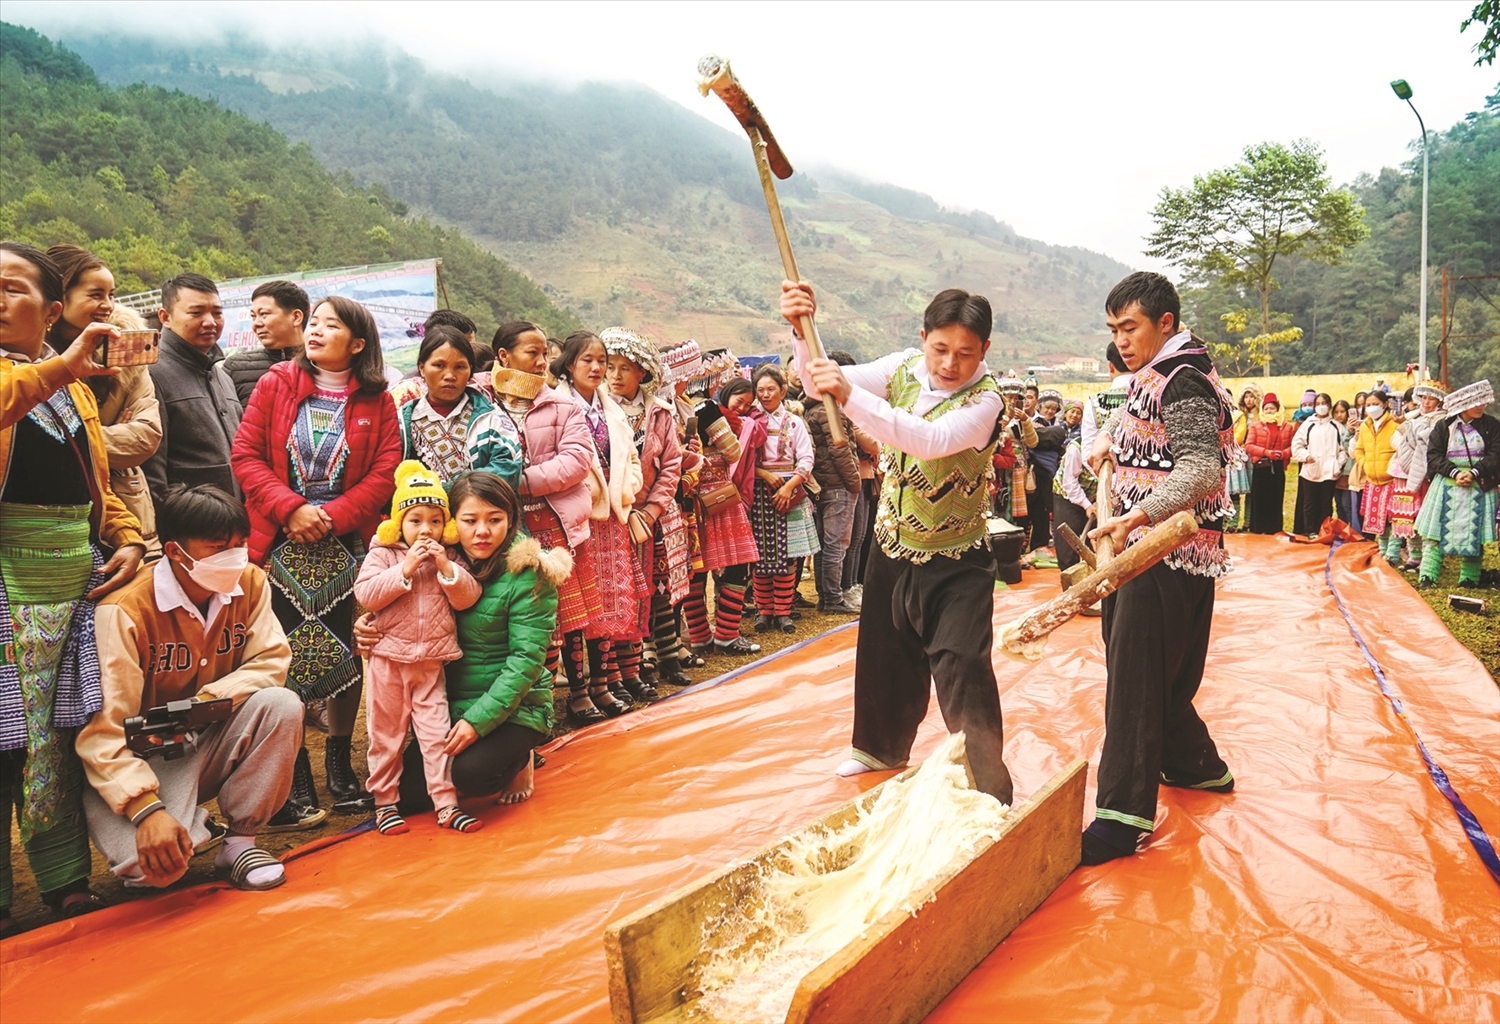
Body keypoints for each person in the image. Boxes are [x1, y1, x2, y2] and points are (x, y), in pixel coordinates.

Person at [784, 280, 1014, 805]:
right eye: (940, 349)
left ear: (985, 351)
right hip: (892, 541)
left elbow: (927, 442)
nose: (949, 364)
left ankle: (985, 782)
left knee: (961, 662)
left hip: (959, 557)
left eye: (965, 353)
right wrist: (802, 330)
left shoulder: (986, 401)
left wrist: (848, 394)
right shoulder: (903, 367)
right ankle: (879, 750)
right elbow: (818, 376)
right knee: (886, 652)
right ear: (923, 337)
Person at [0, 241, 147, 934]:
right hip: (6, 582)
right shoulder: (51, 378)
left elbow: (98, 489)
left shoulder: (74, 391)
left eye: (10, 289)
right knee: (1, 740)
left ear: (50, 310)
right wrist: (61, 367)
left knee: (59, 734)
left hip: (71, 580)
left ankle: (63, 880)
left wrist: (125, 537)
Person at [1083, 272, 1237, 865]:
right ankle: (1200, 769)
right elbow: (1152, 446)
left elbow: (1199, 471)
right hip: (1149, 550)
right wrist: (1108, 449)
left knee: (1135, 683)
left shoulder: (1184, 380)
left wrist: (1136, 516)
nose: (1121, 340)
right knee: (1157, 676)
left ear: (1164, 324)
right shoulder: (1155, 374)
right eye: (1114, 329)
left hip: (1164, 554)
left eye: (1131, 327)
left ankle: (1120, 821)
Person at [80, 486, 300, 891]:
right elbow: (103, 734)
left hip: (207, 737)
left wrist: (206, 703)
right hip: (142, 757)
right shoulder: (125, 609)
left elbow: (271, 661)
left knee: (281, 704)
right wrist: (146, 810)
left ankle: (239, 842)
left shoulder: (250, 582)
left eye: (239, 544)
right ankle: (190, 825)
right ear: (175, 551)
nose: (233, 557)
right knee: (151, 873)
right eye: (218, 547)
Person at [231, 295, 401, 818]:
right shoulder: (275, 383)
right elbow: (246, 455)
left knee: (348, 654)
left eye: (332, 325)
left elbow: (387, 467)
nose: (316, 331)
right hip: (280, 544)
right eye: (316, 323)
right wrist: (292, 510)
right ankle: (296, 769)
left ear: (357, 342)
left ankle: (339, 762)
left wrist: (333, 516)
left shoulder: (378, 399)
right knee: (286, 656)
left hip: (348, 546)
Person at [350, 473, 568, 811]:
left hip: (515, 707)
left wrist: (476, 722)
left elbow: (525, 663)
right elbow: (402, 606)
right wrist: (370, 625)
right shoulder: (439, 562)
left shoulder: (528, 574)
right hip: (452, 702)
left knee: (471, 776)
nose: (482, 531)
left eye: (495, 519)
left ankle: (520, 759)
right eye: (470, 520)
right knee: (409, 797)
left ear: (510, 520)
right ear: (452, 524)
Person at [353, 461, 483, 835]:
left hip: (431, 664)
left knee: (435, 734)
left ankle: (445, 803)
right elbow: (366, 595)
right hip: (388, 662)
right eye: (415, 520)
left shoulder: (450, 558)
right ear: (398, 524)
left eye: (435, 521)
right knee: (386, 735)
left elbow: (467, 598)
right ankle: (385, 803)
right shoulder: (384, 553)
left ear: (447, 526)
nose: (426, 529)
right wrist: (404, 570)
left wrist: (446, 569)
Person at [487, 320, 601, 695]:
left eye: (544, 354)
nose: (542, 362)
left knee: (564, 619)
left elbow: (576, 461)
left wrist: (511, 481)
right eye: (531, 353)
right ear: (503, 356)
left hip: (551, 524)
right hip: (500, 527)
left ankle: (574, 694)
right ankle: (531, 699)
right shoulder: (481, 401)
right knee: (523, 620)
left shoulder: (561, 404)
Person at [552, 330, 647, 721]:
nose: (596, 368)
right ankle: (577, 693)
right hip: (577, 520)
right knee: (580, 609)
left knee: (609, 603)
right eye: (587, 360)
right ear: (569, 365)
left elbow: (633, 461)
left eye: (601, 361)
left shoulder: (613, 411)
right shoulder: (555, 407)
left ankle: (601, 686)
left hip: (613, 522)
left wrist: (627, 487)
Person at [46, 245, 163, 559]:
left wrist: (74, 436)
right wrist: (106, 431)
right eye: (96, 294)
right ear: (59, 296)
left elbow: (146, 437)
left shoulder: (127, 353)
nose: (108, 305)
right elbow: (32, 442)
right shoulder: (31, 358)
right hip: (50, 520)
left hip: (127, 515)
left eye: (112, 294)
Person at [604, 328, 696, 687]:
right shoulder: (599, 411)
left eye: (624, 368)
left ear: (641, 372)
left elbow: (671, 465)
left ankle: (669, 659)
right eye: (610, 367)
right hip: (614, 516)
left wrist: (653, 509)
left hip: (654, 517)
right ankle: (630, 667)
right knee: (622, 591)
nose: (615, 375)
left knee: (660, 591)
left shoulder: (659, 413)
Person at [143, 273, 242, 508]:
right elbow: (151, 468)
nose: (210, 322)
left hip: (234, 522)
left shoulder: (223, 376)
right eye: (196, 313)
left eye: (217, 313)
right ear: (165, 317)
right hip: (188, 525)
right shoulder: (151, 374)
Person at [396, 326, 522, 488]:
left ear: (470, 372)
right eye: (439, 365)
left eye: (460, 367)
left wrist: (447, 491)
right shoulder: (403, 423)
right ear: (422, 368)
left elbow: (508, 469)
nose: (449, 375)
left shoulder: (492, 418)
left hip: (479, 511)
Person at [693, 377, 764, 655]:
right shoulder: (708, 410)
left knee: (695, 571)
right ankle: (726, 634)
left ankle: (699, 635)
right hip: (719, 495)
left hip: (692, 497)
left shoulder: (671, 408)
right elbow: (733, 451)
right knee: (736, 566)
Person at [747, 364, 818, 634]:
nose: (765, 395)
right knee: (760, 557)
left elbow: (807, 458)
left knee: (788, 556)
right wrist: (763, 474)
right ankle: (764, 611)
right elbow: (741, 462)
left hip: (789, 492)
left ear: (783, 390)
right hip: (758, 493)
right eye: (760, 390)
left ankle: (784, 611)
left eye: (771, 389)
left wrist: (790, 487)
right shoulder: (749, 422)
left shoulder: (794, 422)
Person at [1414, 380, 1499, 589]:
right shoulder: (1444, 426)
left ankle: (1469, 578)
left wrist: (1474, 472)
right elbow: (1433, 455)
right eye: (1476, 403)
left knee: (1474, 531)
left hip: (1478, 483)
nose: (1481, 407)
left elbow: (1496, 453)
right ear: (1464, 404)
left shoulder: (1491, 425)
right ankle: (1427, 576)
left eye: (1483, 403)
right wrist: (1454, 472)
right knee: (1435, 533)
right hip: (1446, 483)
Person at [803, 359, 862, 614]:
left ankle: (826, 596)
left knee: (824, 545)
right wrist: (854, 482)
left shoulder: (811, 409)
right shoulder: (831, 410)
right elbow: (841, 449)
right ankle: (833, 599)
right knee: (836, 544)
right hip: (838, 484)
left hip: (822, 484)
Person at [223, 280, 308, 409]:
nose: (256, 323)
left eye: (264, 314)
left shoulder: (324, 365)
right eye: (253, 316)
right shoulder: (235, 368)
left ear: (296, 317)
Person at [1389, 382, 1447, 572]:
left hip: (1425, 475)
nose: (1427, 402)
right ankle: (1413, 556)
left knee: (1423, 516)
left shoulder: (1442, 420)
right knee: (1405, 515)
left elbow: (1429, 442)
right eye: (1424, 398)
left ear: (1439, 401)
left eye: (1432, 399)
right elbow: (1395, 438)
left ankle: (1427, 559)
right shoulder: (1412, 417)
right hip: (1403, 471)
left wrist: (1410, 437)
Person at [1290, 393, 1347, 538]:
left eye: (1324, 403)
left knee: (1326, 503)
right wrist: (1306, 457)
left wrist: (1337, 464)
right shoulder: (1308, 425)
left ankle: (1325, 530)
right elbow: (1296, 445)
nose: (1321, 406)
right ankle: (1310, 530)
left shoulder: (1336, 426)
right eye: (1318, 403)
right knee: (1309, 503)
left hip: (1329, 472)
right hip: (1311, 471)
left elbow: (1343, 448)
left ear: (1329, 405)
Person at [1354, 390, 1400, 561]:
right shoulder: (1365, 426)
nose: (1372, 408)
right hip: (1372, 480)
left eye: (1375, 404)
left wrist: (1393, 467)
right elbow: (1359, 449)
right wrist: (1364, 464)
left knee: (1394, 517)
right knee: (1377, 518)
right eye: (1368, 405)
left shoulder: (1395, 424)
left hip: (1392, 479)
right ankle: (1382, 550)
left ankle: (1393, 553)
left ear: (1385, 404)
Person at [1244, 393, 1293, 534]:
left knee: (1276, 500)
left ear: (1278, 409)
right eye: (1266, 408)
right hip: (1261, 466)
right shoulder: (1256, 426)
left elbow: (1292, 446)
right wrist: (1266, 452)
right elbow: (1249, 446)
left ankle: (1274, 529)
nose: (1269, 411)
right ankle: (1258, 529)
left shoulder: (1287, 427)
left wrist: (1283, 454)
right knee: (1260, 500)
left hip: (1277, 466)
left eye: (1272, 408)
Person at [1052, 424, 1097, 572]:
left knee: (1096, 542)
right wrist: (1086, 505)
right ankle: (1071, 587)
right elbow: (1070, 483)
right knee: (1067, 547)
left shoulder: (1115, 448)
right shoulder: (1076, 448)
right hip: (1067, 496)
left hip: (1096, 500)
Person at [1027, 389, 1067, 551]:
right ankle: (1035, 544)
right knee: (1036, 509)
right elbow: (1034, 441)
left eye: (1054, 409)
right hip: (1036, 471)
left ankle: (1041, 543)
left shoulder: (1054, 426)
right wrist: (1055, 437)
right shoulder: (1033, 423)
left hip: (1049, 474)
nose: (1050, 411)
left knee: (1045, 510)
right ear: (1040, 406)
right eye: (1047, 408)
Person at [1080, 343, 1131, 456]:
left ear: (1110, 366)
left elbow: (1088, 455)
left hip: (1105, 472)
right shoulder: (1153, 394)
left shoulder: (1095, 402)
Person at [1228, 384, 1262, 531]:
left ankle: (1248, 522)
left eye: (1252, 396)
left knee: (1252, 490)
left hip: (1255, 455)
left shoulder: (1262, 415)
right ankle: (1233, 523)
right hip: (1241, 455)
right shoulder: (1239, 414)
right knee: (1236, 490)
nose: (1249, 400)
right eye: (1246, 396)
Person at [1332, 400, 1361, 527]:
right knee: (1339, 504)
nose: (1339, 415)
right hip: (1335, 471)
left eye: (1342, 412)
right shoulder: (1331, 426)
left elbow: (1349, 447)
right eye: (1336, 412)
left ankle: (1352, 531)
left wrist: (1350, 430)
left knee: (1347, 504)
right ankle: (1342, 530)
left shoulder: (1356, 428)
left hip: (1348, 472)